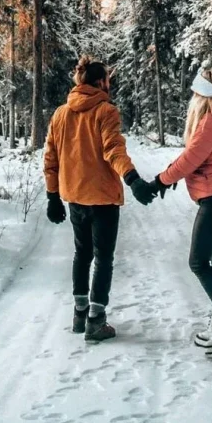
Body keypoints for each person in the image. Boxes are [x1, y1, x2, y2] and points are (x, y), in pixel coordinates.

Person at [44, 55, 157, 342]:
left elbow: (51, 157)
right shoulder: (106, 111)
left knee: (82, 254)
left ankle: (80, 314)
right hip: (103, 200)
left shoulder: (60, 114)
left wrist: (52, 195)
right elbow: (113, 149)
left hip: (74, 198)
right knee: (103, 258)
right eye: (108, 79)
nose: (110, 84)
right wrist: (132, 179)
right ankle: (96, 320)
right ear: (100, 82)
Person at [152, 67, 212, 358]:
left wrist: (158, 181)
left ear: (201, 95)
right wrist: (168, 177)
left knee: (197, 262)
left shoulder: (211, 120)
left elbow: (190, 159)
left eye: (194, 93)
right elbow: (192, 158)